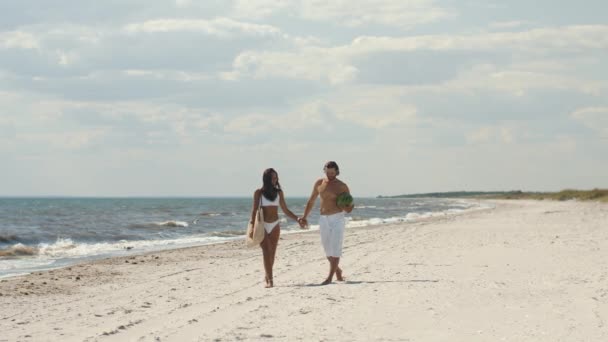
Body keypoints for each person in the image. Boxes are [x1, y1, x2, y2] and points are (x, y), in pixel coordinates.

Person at [300, 161, 354, 285]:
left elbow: (350, 207)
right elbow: (311, 201)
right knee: (327, 250)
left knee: (335, 248)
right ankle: (338, 270)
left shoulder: (342, 186)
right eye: (328, 172)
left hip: (338, 218)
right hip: (323, 219)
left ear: (337, 172)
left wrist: (345, 206)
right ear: (324, 170)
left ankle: (330, 277)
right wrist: (304, 217)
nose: (330, 175)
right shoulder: (319, 183)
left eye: (332, 172)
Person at [250, 168, 305, 288]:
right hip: (262, 225)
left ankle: (267, 274)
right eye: (273, 177)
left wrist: (297, 219)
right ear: (267, 179)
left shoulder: (279, 193)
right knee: (266, 251)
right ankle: (270, 280)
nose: (275, 180)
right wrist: (251, 226)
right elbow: (254, 210)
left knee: (272, 253)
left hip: (275, 225)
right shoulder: (258, 193)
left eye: (276, 177)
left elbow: (285, 210)